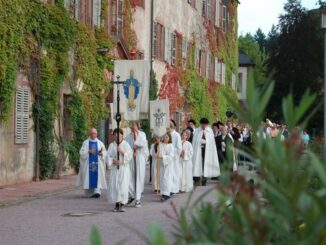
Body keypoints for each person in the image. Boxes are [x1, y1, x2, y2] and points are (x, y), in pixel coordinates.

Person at [107, 128, 133, 212]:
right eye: (115, 135)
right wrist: (112, 161)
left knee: (123, 186)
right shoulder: (112, 145)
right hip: (115, 169)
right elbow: (108, 156)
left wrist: (122, 152)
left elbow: (129, 155)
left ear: (122, 135)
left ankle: (121, 204)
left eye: (119, 135)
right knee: (115, 186)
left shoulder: (126, 145)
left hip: (123, 169)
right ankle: (116, 204)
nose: (117, 136)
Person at [76, 128, 107, 198]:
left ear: (97, 134)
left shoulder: (100, 143)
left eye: (95, 133)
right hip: (88, 164)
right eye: (92, 133)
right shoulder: (85, 143)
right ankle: (89, 193)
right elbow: (81, 153)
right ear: (90, 134)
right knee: (88, 177)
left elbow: (105, 152)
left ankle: (97, 192)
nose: (93, 135)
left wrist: (101, 154)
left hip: (98, 164)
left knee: (98, 177)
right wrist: (88, 152)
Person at [125, 121, 149, 208]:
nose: (133, 126)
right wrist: (131, 151)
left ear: (138, 125)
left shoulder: (142, 134)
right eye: (132, 125)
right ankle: (131, 195)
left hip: (139, 157)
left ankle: (138, 199)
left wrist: (134, 146)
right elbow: (126, 146)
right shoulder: (128, 136)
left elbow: (142, 144)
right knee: (130, 177)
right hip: (132, 158)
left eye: (135, 125)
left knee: (139, 178)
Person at [192, 118, 220, 186]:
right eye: (203, 125)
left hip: (207, 150)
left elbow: (212, 142)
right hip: (198, 149)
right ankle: (197, 179)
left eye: (205, 125)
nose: (204, 126)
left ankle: (204, 178)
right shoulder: (197, 131)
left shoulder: (209, 131)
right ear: (201, 124)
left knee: (205, 163)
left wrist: (206, 142)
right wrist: (199, 141)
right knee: (197, 163)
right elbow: (194, 141)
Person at [158, 133, 174, 201]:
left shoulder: (171, 146)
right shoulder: (160, 145)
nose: (165, 138)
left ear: (169, 138)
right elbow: (159, 153)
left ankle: (166, 194)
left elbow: (171, 156)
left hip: (168, 165)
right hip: (162, 164)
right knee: (162, 178)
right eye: (164, 137)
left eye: (167, 137)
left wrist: (163, 157)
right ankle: (163, 193)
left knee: (167, 178)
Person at [169, 119, 182, 194]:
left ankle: (174, 189)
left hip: (174, 158)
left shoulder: (176, 135)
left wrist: (174, 155)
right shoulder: (166, 134)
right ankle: (169, 188)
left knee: (174, 173)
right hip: (168, 158)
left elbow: (179, 147)